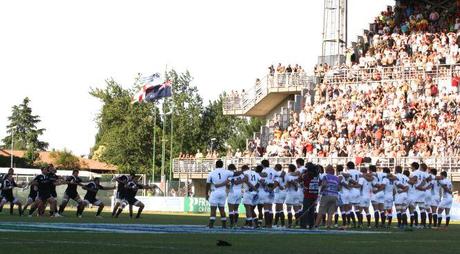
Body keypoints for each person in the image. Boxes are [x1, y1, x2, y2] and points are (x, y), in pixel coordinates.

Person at [205, 160, 239, 228]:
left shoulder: (211, 173)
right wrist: (243, 172)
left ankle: (211, 224)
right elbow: (235, 174)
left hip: (215, 192)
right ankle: (224, 225)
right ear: (222, 165)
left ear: (216, 165)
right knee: (222, 209)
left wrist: (206, 193)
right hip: (223, 192)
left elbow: (208, 184)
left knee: (213, 209)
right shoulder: (226, 172)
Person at [300, 163, 319, 229]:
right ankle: (311, 224)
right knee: (312, 210)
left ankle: (303, 224)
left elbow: (300, 179)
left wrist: (302, 173)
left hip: (308, 194)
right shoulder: (316, 174)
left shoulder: (307, 175)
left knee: (305, 210)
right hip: (314, 194)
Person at [227, 164, 244, 228]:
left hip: (233, 191)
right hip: (239, 192)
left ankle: (231, 224)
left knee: (231, 209)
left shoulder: (230, 175)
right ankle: (236, 223)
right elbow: (245, 179)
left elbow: (228, 184)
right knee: (236, 209)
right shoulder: (241, 175)